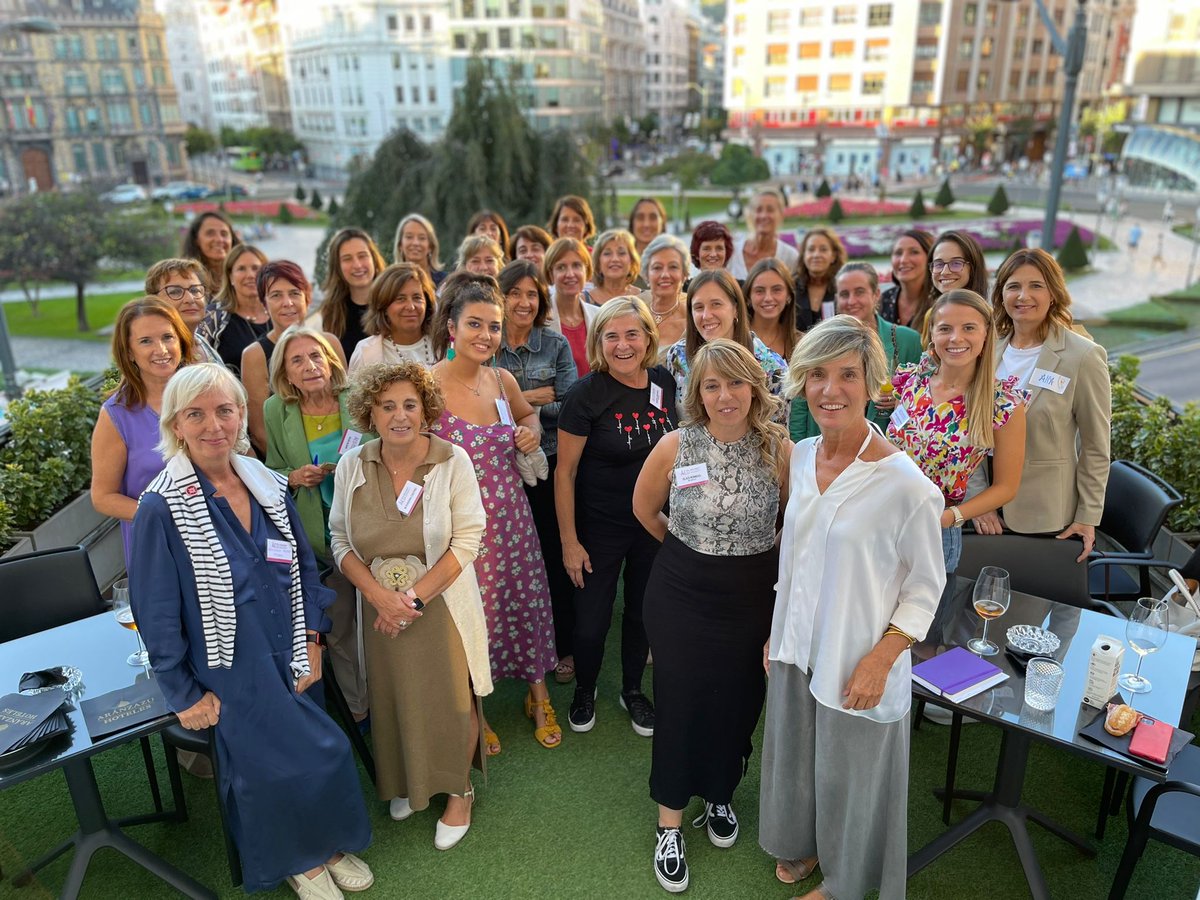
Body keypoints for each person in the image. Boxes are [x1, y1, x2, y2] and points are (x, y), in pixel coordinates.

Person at [129, 364, 373, 898]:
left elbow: (305, 568)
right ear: (176, 424)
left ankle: (327, 842)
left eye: (224, 410)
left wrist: (311, 637)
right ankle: (296, 860)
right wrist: (181, 691)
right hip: (228, 667)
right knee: (267, 769)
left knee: (323, 748)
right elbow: (155, 610)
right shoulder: (160, 507)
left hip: (288, 648)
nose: (213, 424)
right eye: (196, 414)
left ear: (242, 415)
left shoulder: (265, 483)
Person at [760, 316, 945, 900]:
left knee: (851, 775)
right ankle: (809, 842)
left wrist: (881, 659)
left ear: (872, 384)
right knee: (801, 755)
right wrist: (777, 631)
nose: (829, 389)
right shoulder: (804, 454)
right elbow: (796, 557)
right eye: (816, 374)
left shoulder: (906, 485)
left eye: (846, 374)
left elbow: (925, 587)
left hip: (859, 655)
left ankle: (847, 882)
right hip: (797, 645)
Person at [633, 340, 790, 894]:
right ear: (698, 394)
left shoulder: (779, 448)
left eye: (735, 383)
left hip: (752, 597)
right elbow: (645, 510)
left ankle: (720, 794)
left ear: (754, 386)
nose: (725, 396)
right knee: (680, 702)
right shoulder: (677, 444)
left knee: (739, 701)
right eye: (712, 385)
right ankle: (669, 821)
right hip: (681, 594)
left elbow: (791, 524)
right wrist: (688, 550)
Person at [329, 361, 492, 850]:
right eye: (387, 406)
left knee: (451, 697)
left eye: (409, 405)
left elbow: (468, 538)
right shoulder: (352, 464)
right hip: (378, 609)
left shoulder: (452, 460)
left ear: (425, 411)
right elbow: (340, 539)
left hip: (439, 604)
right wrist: (378, 596)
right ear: (370, 413)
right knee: (392, 696)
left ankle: (458, 791)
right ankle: (406, 781)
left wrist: (411, 599)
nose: (399, 416)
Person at [429, 272, 560, 754]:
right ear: (452, 326)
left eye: (494, 326)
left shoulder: (503, 380)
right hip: (460, 530)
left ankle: (538, 697)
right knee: (471, 615)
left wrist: (528, 431)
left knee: (523, 605)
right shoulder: (427, 387)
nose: (486, 336)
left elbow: (528, 416)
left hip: (513, 520)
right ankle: (475, 711)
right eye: (475, 324)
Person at [556, 297, 676, 737]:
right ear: (598, 341)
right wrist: (570, 541)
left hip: (653, 525)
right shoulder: (585, 394)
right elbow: (564, 473)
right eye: (612, 336)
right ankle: (584, 689)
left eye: (632, 334)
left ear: (647, 337)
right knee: (591, 622)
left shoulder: (664, 382)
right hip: (598, 528)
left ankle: (631, 689)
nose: (622, 345)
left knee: (644, 613)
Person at [887, 289, 1027, 646]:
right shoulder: (913, 381)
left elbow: (1006, 487)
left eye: (968, 328)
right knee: (871, 622)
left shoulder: (1002, 403)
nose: (956, 338)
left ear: (985, 336)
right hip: (884, 519)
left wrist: (949, 518)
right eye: (945, 328)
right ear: (932, 334)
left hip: (936, 528)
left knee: (917, 641)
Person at [970, 248, 1111, 561]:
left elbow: (1096, 446)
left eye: (1036, 285)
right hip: (984, 505)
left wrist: (1087, 517)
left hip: (1045, 515)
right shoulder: (988, 349)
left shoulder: (1082, 356)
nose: (1024, 296)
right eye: (1013, 286)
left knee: (1029, 607)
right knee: (981, 599)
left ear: (1054, 293)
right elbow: (972, 430)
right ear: (1001, 294)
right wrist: (980, 498)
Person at [264, 325, 371, 726]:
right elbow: (271, 470)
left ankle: (391, 696)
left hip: (365, 526)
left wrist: (352, 466)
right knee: (339, 626)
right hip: (316, 536)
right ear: (286, 374)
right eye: (297, 360)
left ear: (330, 360)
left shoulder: (357, 397)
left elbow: (381, 449)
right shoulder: (276, 410)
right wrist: (293, 477)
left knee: (377, 623)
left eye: (316, 355)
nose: (309, 366)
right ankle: (359, 708)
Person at [496, 260, 579, 683]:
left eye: (532, 294)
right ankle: (510, 649)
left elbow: (571, 405)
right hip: (495, 472)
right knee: (506, 565)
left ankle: (564, 646)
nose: (524, 302)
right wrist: (529, 399)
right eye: (515, 293)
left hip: (548, 464)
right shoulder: (486, 341)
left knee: (552, 555)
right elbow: (468, 408)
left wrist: (512, 404)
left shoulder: (554, 344)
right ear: (501, 297)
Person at [91, 297, 195, 570]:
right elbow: (102, 496)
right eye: (146, 341)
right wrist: (162, 516)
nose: (161, 349)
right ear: (128, 352)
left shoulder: (206, 391)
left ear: (181, 341)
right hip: (158, 550)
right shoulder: (116, 415)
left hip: (223, 537)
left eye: (167, 337)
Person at [790, 262, 923, 440]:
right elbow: (800, 402)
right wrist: (798, 450)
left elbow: (922, 399)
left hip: (884, 449)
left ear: (876, 295)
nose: (851, 301)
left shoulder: (907, 340)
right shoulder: (818, 341)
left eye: (859, 292)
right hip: (822, 445)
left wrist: (902, 398)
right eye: (844, 294)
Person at [241, 261, 346, 457]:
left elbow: (349, 403)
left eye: (294, 293)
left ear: (307, 298)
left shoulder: (330, 343)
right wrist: (297, 471)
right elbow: (260, 431)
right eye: (276, 295)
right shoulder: (255, 355)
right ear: (264, 304)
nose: (287, 302)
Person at [663, 270, 787, 414]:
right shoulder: (677, 356)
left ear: (735, 309)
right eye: (698, 307)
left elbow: (778, 431)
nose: (706, 315)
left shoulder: (772, 367)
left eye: (716, 304)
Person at [348, 263, 440, 372]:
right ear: (383, 306)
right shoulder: (366, 352)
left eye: (417, 298)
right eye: (400, 299)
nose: (411, 306)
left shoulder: (444, 345)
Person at [200, 244, 270, 376]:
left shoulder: (279, 313)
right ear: (231, 277)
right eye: (241, 269)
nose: (250, 275)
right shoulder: (213, 317)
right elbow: (198, 366)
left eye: (256, 268)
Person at [320, 227, 388, 362]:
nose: (357, 265)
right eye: (347, 259)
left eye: (362, 256)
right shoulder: (330, 313)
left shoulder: (393, 303)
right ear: (337, 267)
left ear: (374, 259)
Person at [145, 258, 222, 364]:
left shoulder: (200, 341)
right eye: (175, 292)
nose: (190, 299)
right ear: (154, 301)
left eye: (195, 290)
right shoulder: (160, 354)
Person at [543, 237, 600, 376]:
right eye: (561, 267)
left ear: (587, 271)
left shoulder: (599, 316)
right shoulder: (539, 319)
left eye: (576, 265)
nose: (570, 274)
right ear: (551, 274)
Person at [728, 189, 798, 281]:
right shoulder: (732, 252)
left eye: (770, 210)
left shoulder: (790, 257)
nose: (764, 215)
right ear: (750, 214)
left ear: (781, 214)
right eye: (758, 210)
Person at [638, 234, 691, 351]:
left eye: (673, 267)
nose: (665, 275)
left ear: (684, 274)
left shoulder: (693, 321)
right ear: (646, 274)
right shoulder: (634, 313)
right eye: (657, 268)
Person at [793, 227, 847, 332]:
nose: (816, 255)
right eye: (811, 249)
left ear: (833, 256)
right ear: (803, 254)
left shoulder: (843, 287)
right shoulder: (790, 287)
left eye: (823, 249)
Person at [745, 258, 799, 362]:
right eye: (759, 291)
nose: (768, 298)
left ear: (788, 295)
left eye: (776, 290)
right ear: (748, 297)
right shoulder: (734, 338)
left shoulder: (801, 343)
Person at [879, 229, 934, 331]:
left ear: (930, 258)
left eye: (914, 252)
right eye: (898, 253)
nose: (903, 260)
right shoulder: (882, 301)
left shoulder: (940, 303)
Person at [180, 210, 240, 292]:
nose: (219, 239)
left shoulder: (245, 277)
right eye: (210, 233)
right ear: (196, 240)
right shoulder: (184, 280)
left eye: (224, 234)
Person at [929, 230, 989, 300]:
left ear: (973, 267)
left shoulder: (984, 310)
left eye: (956, 263)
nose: (945, 272)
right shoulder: (931, 311)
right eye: (939, 264)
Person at [393, 212, 447, 287]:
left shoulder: (445, 281)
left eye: (422, 238)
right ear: (400, 244)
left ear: (430, 246)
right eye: (409, 237)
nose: (415, 243)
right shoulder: (390, 282)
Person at [589, 229, 641, 305]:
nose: (615, 259)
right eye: (607, 253)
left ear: (632, 261)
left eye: (621, 253)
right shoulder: (584, 301)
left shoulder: (645, 299)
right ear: (598, 263)